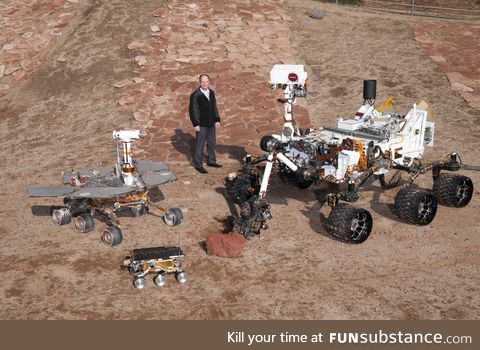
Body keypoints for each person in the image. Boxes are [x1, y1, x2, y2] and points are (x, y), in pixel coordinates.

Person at [189, 74, 222, 174]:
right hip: (201, 124)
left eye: (206, 81)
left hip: (211, 123)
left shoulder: (211, 92)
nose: (204, 83)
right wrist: (196, 124)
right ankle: (198, 165)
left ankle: (211, 161)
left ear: (209, 82)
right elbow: (193, 110)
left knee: (212, 143)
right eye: (202, 82)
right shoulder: (196, 95)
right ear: (199, 82)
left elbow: (214, 107)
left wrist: (217, 120)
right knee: (200, 146)